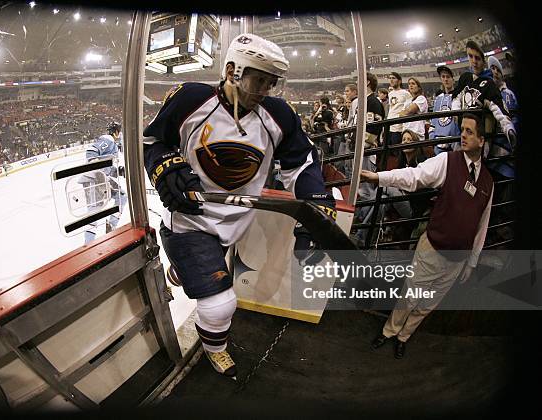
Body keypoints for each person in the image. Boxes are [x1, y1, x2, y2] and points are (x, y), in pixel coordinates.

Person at [142, 33, 336, 378]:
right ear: (232, 70)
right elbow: (154, 140)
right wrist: (163, 167)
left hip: (234, 224)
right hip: (191, 221)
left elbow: (302, 164)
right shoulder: (190, 99)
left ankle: (183, 268)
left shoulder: (278, 115)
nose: (264, 89)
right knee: (220, 304)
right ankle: (215, 349)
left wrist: (317, 202)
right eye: (258, 79)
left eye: (271, 82)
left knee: (206, 269)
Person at [361, 113, 493, 359]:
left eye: (470, 132)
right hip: (433, 248)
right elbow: (415, 176)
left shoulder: (488, 182)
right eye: (462, 129)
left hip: (457, 259)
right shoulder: (447, 161)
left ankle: (403, 336)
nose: (463, 135)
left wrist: (471, 261)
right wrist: (379, 177)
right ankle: (389, 332)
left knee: (427, 305)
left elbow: (481, 225)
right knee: (410, 297)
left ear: (482, 141)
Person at [451, 40, 516, 148]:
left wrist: (508, 128)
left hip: (478, 137)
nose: (474, 61)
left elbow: (497, 107)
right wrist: (455, 112)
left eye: (477, 58)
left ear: (483, 62)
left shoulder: (489, 83)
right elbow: (456, 98)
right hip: (461, 132)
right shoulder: (465, 77)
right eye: (470, 56)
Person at [80, 121, 126, 244]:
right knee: (94, 211)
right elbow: (91, 151)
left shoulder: (112, 144)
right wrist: (96, 168)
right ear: (116, 132)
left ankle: (111, 225)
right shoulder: (108, 140)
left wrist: (119, 171)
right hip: (94, 180)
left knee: (122, 196)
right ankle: (88, 243)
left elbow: (107, 168)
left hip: (102, 179)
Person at [430, 65, 460, 155]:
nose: (446, 79)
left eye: (448, 77)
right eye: (443, 77)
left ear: (453, 80)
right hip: (438, 142)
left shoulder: (458, 96)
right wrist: (432, 137)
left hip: (454, 141)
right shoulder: (438, 99)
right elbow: (433, 121)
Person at [386, 72, 411, 148]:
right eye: (390, 78)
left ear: (399, 81)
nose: (391, 80)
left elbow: (408, 109)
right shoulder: (390, 94)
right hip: (389, 126)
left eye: (393, 78)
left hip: (398, 128)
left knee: (398, 151)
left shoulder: (405, 93)